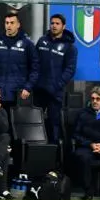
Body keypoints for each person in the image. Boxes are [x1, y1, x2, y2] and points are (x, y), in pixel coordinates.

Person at [33, 14, 78, 144]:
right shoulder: (42, 41)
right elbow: (35, 63)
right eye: (52, 23)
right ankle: (36, 152)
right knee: (35, 122)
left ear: (63, 26)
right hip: (39, 90)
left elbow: (70, 70)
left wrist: (56, 85)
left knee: (54, 124)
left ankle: (55, 155)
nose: (54, 26)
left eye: (57, 23)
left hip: (55, 92)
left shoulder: (70, 47)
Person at [0, 12, 38, 108]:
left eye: (12, 23)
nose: (9, 25)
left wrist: (28, 87)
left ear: (18, 25)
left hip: (17, 93)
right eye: (6, 23)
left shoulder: (27, 44)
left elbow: (35, 68)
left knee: (13, 122)